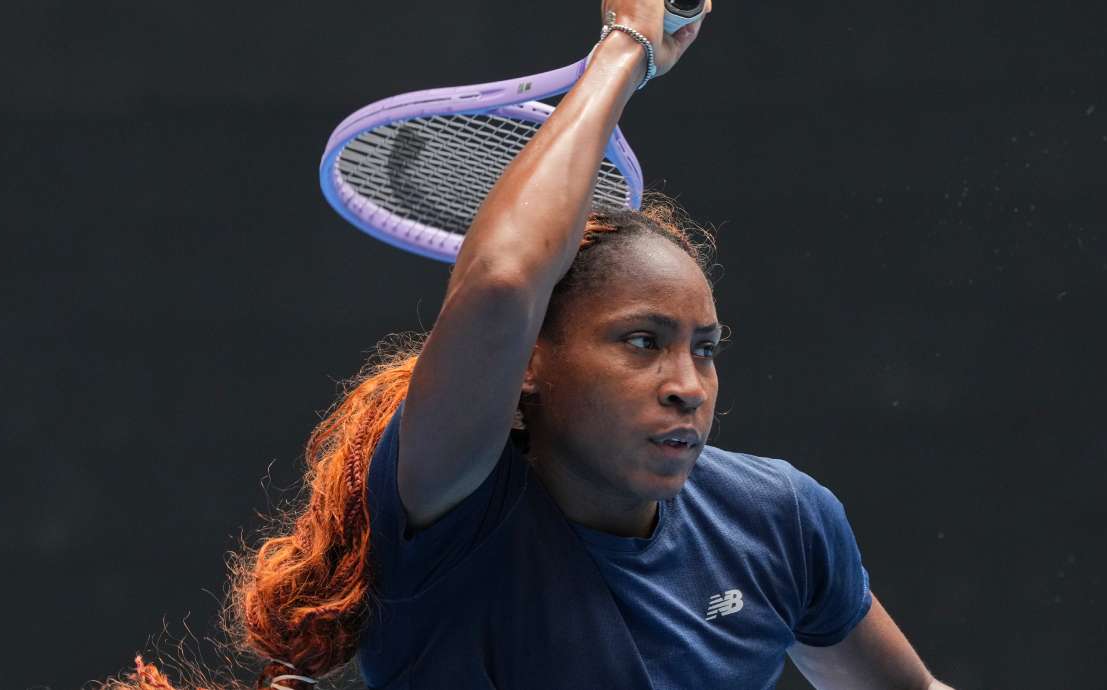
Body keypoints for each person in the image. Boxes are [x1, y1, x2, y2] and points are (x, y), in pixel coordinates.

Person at [104, 1, 956, 688]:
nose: (686, 384)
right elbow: (506, 278)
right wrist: (624, 48)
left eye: (705, 347)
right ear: (527, 368)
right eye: (641, 341)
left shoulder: (781, 522)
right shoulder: (452, 521)